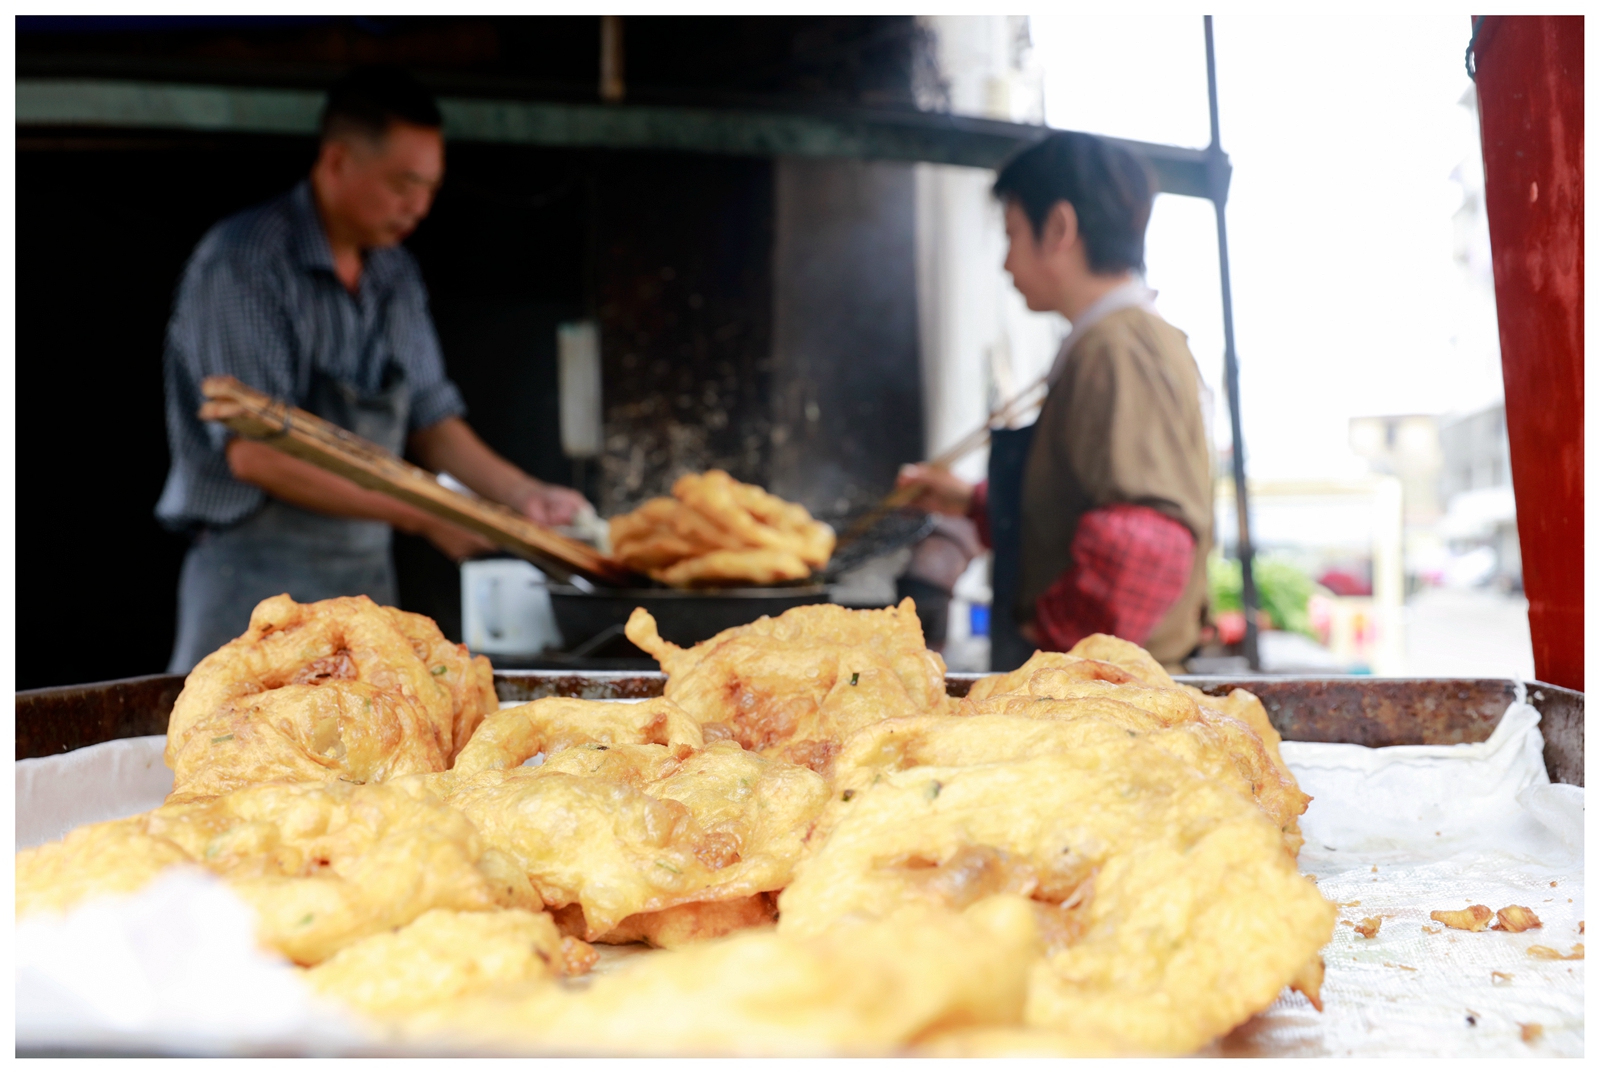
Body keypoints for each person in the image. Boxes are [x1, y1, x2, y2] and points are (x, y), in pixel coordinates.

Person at [157, 67, 590, 672]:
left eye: (430, 188)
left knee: (374, 745)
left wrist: (524, 495)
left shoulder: (393, 274)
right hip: (250, 582)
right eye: (402, 184)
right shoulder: (244, 264)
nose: (417, 206)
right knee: (230, 748)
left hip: (363, 580)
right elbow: (256, 454)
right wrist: (424, 512)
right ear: (337, 162)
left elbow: (433, 420)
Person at [899, 131, 1212, 671]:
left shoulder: (1119, 347)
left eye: (1013, 234)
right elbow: (1082, 509)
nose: (1005, 263)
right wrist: (972, 502)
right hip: (1101, 686)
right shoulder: (1108, 340)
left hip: (1109, 696)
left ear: (1060, 229)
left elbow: (1144, 548)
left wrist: (1045, 642)